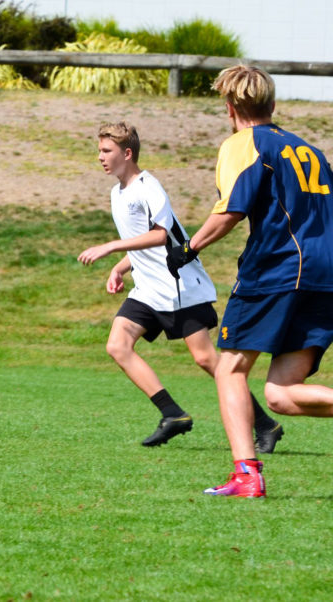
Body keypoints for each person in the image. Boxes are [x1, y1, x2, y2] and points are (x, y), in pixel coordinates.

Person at [170, 65, 333, 498]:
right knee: (282, 394)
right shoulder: (310, 150)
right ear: (272, 105)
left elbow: (230, 210)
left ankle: (247, 475)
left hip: (278, 270)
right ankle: (247, 472)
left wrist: (188, 249)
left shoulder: (244, 143)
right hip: (325, 276)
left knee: (229, 367)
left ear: (230, 109)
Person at [78, 122, 282, 450]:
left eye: (106, 151)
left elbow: (164, 235)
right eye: (99, 150)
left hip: (179, 286)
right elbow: (140, 243)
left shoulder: (148, 186)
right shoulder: (117, 193)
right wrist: (121, 266)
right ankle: (172, 414)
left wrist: (111, 247)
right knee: (118, 345)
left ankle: (265, 425)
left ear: (127, 153)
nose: (100, 157)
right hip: (148, 290)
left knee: (207, 360)